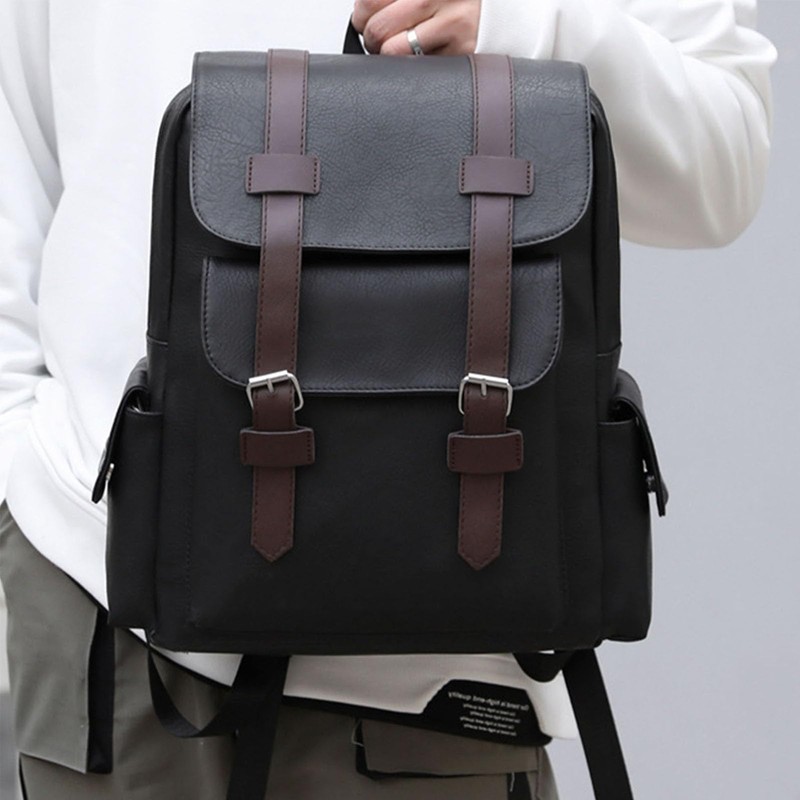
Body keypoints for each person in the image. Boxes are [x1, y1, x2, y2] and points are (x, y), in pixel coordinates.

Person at [0, 0, 776, 797]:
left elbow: (722, 165)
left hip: (445, 649)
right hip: (101, 581)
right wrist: (16, 474)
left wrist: (518, 26)